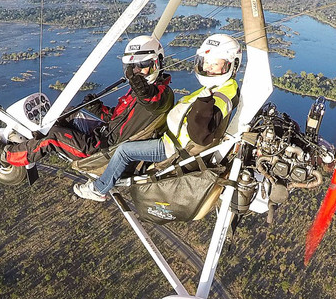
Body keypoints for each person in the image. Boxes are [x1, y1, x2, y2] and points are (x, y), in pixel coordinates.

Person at [73, 33, 242, 201]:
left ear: (232, 65)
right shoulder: (220, 87)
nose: (208, 68)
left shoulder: (221, 94)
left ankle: (99, 188)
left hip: (171, 148)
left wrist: (203, 104)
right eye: (206, 62)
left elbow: (200, 134)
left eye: (215, 64)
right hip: (171, 140)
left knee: (124, 151)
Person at [0, 35, 173, 165]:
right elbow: (118, 120)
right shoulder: (140, 94)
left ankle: (7, 156)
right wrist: (97, 108)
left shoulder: (161, 96)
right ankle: (36, 139)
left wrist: (135, 80)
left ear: (158, 62)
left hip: (101, 149)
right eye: (133, 68)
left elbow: (150, 99)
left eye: (144, 66)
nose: (138, 72)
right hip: (103, 134)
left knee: (53, 138)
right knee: (66, 113)